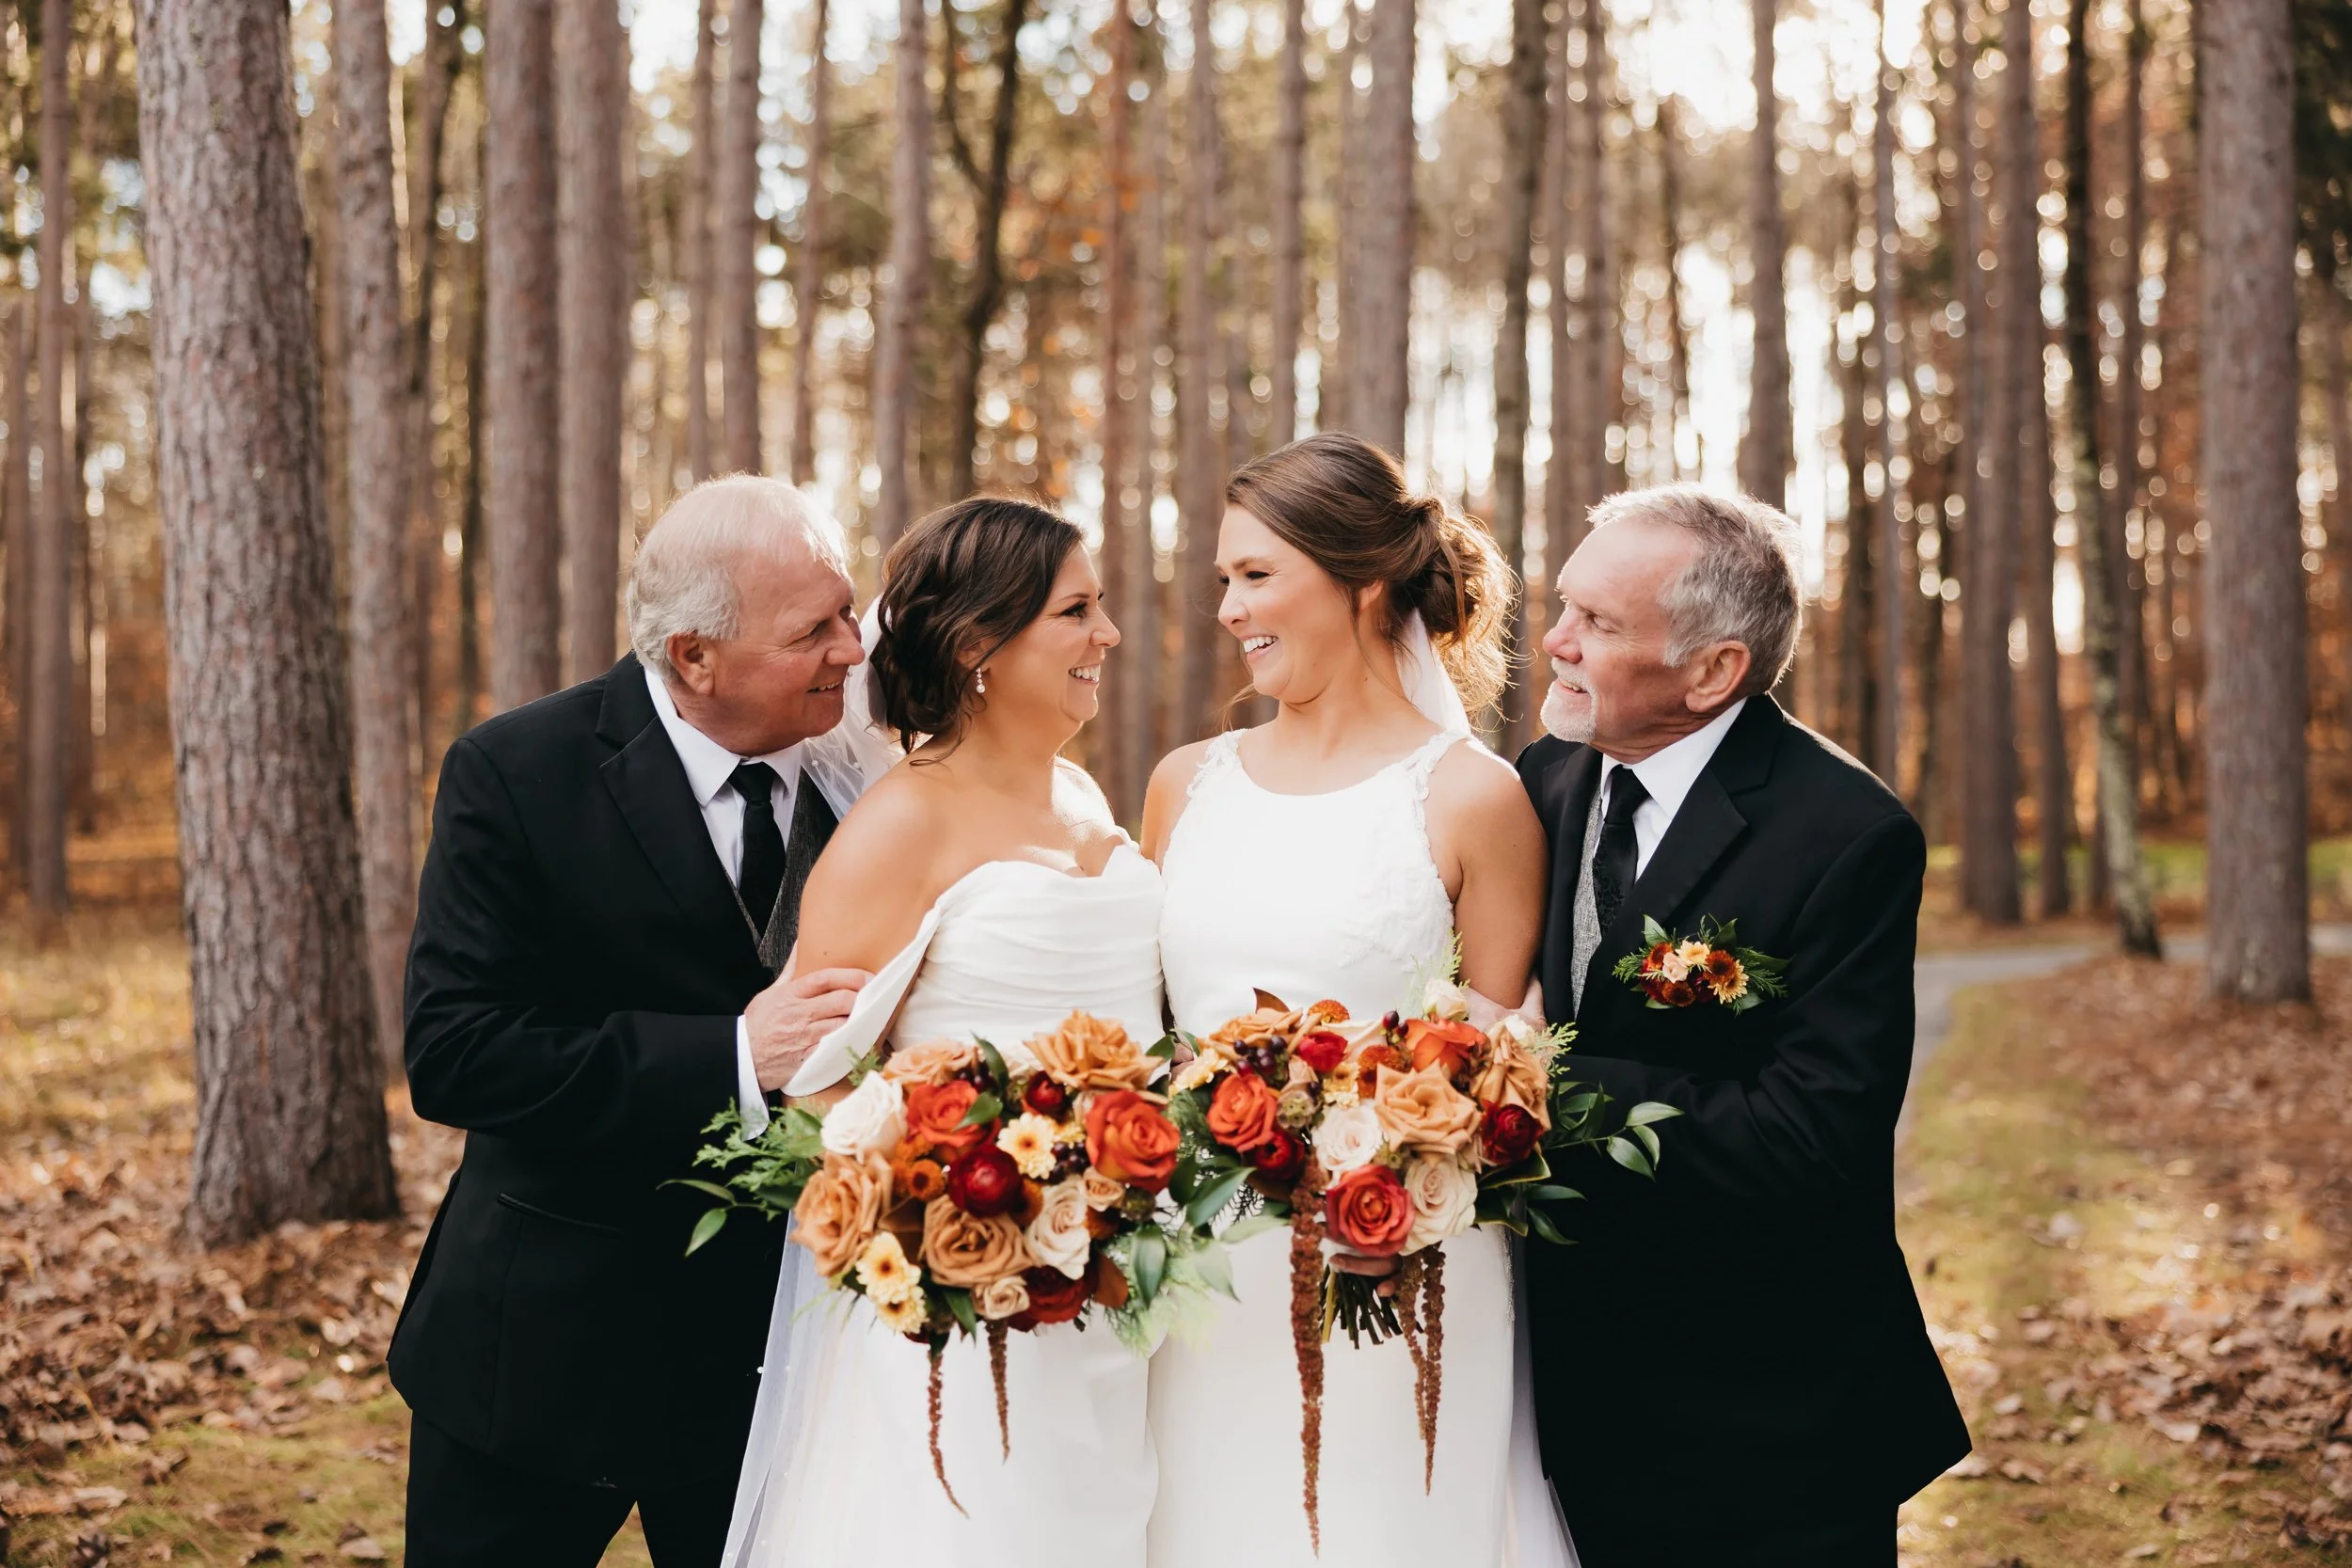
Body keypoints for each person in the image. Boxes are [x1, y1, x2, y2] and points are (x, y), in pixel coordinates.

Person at [393, 477, 881, 1566]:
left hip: (781, 1366)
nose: (854, 650)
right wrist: (734, 1057)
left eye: (848, 610)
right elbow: (456, 1052)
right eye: (814, 630)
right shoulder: (516, 772)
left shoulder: (867, 775)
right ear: (694, 656)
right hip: (544, 1362)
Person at [1516, 485, 1970, 1566]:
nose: (1557, 641)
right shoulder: (1538, 779)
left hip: (1771, 1419)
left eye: (1599, 623)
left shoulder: (1845, 835)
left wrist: (1535, 1079)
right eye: (1563, 606)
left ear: (1712, 670)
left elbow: (1809, 1133)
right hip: (1563, 1399)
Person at [1143, 433, 1575, 1568]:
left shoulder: (1474, 797)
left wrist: (1399, 1190)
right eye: (1223, 580)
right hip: (1196, 1271)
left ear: (1363, 580)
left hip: (1389, 1277)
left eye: (1255, 575)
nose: (1229, 608)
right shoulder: (1186, 782)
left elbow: (1504, 1078)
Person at [722, 497, 1163, 1568]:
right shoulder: (898, 825)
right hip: (973, 1308)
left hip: (1118, 1279)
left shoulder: (1080, 791)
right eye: (1077, 611)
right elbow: (823, 1089)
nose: (1107, 635)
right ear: (978, 646)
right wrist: (959, 1217)